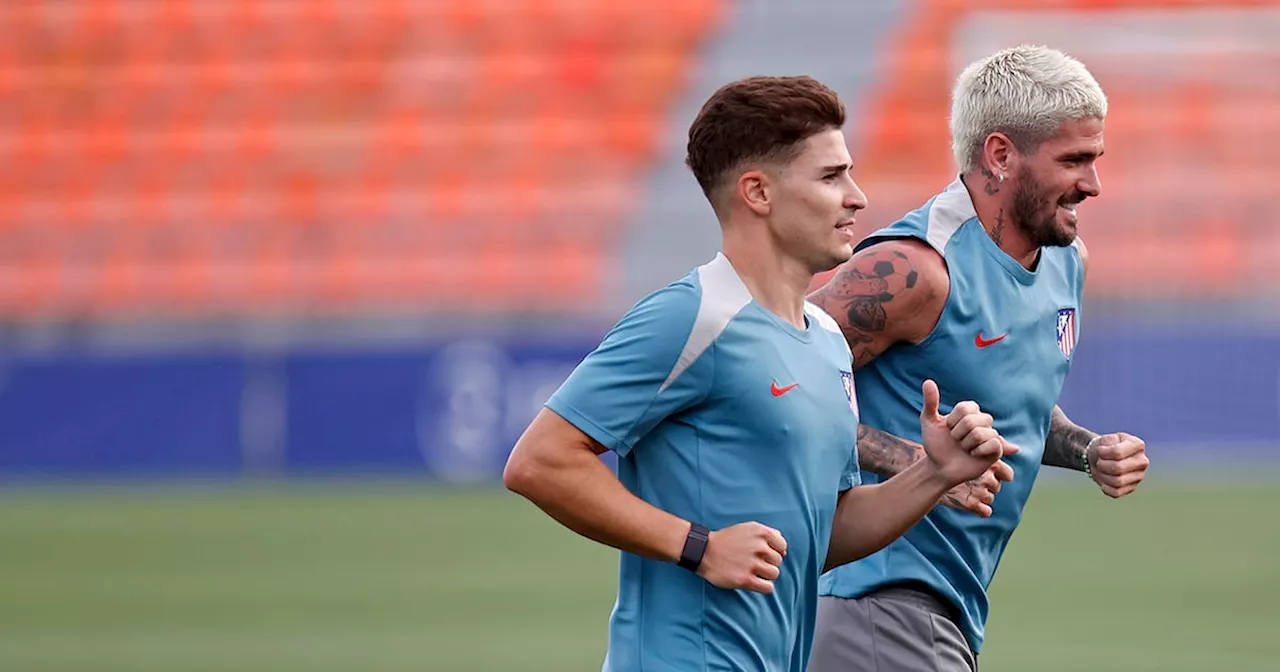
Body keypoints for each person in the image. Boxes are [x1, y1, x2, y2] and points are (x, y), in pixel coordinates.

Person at [502, 75, 1016, 672]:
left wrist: (934, 475)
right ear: (758, 193)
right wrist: (699, 547)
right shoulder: (690, 315)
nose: (856, 196)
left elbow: (822, 536)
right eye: (830, 176)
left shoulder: (827, 341)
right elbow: (540, 461)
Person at [806, 46, 1151, 672]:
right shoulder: (916, 268)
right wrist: (918, 466)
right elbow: (772, 376)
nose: (1094, 184)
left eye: (1095, 158)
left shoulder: (1069, 263)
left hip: (946, 606)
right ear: (999, 155)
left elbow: (1014, 401)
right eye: (1074, 160)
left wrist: (1085, 450)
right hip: (875, 597)